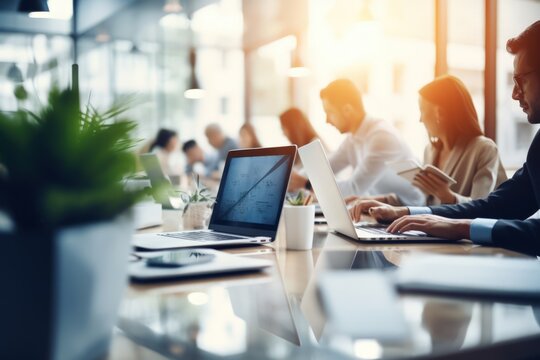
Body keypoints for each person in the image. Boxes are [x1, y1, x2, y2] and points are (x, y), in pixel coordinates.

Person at [350, 21, 540, 255]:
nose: (514, 93)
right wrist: (407, 212)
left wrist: (463, 227)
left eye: (521, 80)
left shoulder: (483, 149)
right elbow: (498, 206)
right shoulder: (538, 145)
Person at [350, 75, 507, 206]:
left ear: (440, 114)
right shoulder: (431, 151)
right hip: (434, 234)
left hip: (468, 241)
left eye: (422, 111)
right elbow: (423, 204)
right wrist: (379, 201)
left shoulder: (484, 149)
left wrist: (448, 197)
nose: (420, 119)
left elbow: (482, 208)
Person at [288, 79, 425, 206]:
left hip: (408, 213)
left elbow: (354, 189)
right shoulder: (353, 139)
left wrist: (306, 183)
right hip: (382, 213)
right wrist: (290, 178)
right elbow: (325, 166)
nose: (327, 121)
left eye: (330, 113)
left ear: (347, 110)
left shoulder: (382, 137)